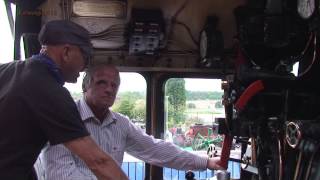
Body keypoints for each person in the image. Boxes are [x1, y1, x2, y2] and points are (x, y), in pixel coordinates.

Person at [40, 63, 223, 180]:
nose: (109, 90)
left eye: (114, 85)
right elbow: (60, 174)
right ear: (85, 86)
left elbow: (155, 149)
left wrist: (205, 163)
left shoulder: (121, 124)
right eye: (101, 83)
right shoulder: (64, 118)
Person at [0, 20, 127, 180]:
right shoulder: (51, 92)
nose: (83, 68)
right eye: (85, 57)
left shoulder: (7, 70)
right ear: (66, 52)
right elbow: (98, 161)